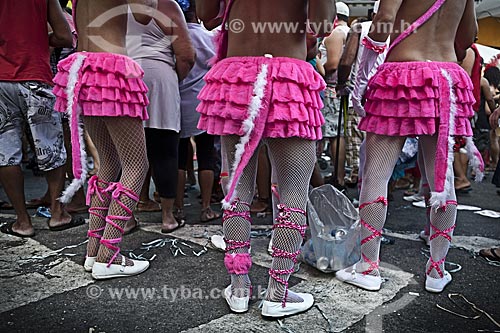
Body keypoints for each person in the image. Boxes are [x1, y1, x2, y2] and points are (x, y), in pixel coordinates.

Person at [195, 0, 335, 317]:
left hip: (236, 75)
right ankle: (278, 294)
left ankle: (240, 288)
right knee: (293, 194)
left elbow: (206, 17)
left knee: (237, 190)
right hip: (289, 77)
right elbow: (323, 24)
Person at [335, 0, 482, 294]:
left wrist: (365, 73)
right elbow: (466, 37)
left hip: (401, 74)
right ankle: (437, 271)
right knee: (442, 176)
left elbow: (383, 22)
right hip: (447, 77)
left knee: (376, 174)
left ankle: (369, 267)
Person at [52, 0, 154, 279]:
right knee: (137, 166)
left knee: (108, 161)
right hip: (111, 68)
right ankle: (108, 256)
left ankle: (94, 251)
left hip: (83, 66)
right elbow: (146, 15)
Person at [0, 0, 85, 238]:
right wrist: (37, 39)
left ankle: (22, 221)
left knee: (6, 152)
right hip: (36, 74)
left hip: (1, 80)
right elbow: (64, 36)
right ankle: (58, 213)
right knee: (51, 145)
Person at [128, 0, 195, 232]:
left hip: (124, 77)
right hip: (160, 78)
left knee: (126, 152)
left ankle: (125, 216)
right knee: (166, 150)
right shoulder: (167, 5)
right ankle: (168, 217)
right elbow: (186, 55)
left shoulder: (113, 4)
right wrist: (172, 78)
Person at [174, 0, 221, 223]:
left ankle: (179, 208)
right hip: (204, 102)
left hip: (180, 101)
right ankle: (205, 208)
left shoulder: (175, 38)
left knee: (180, 157)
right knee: (206, 155)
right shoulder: (208, 36)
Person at [319, 1, 350, 188]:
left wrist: (317, 66)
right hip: (340, 89)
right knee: (338, 134)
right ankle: (338, 175)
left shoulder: (336, 33)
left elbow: (332, 64)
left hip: (331, 88)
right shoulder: (348, 32)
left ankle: (337, 178)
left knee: (334, 135)